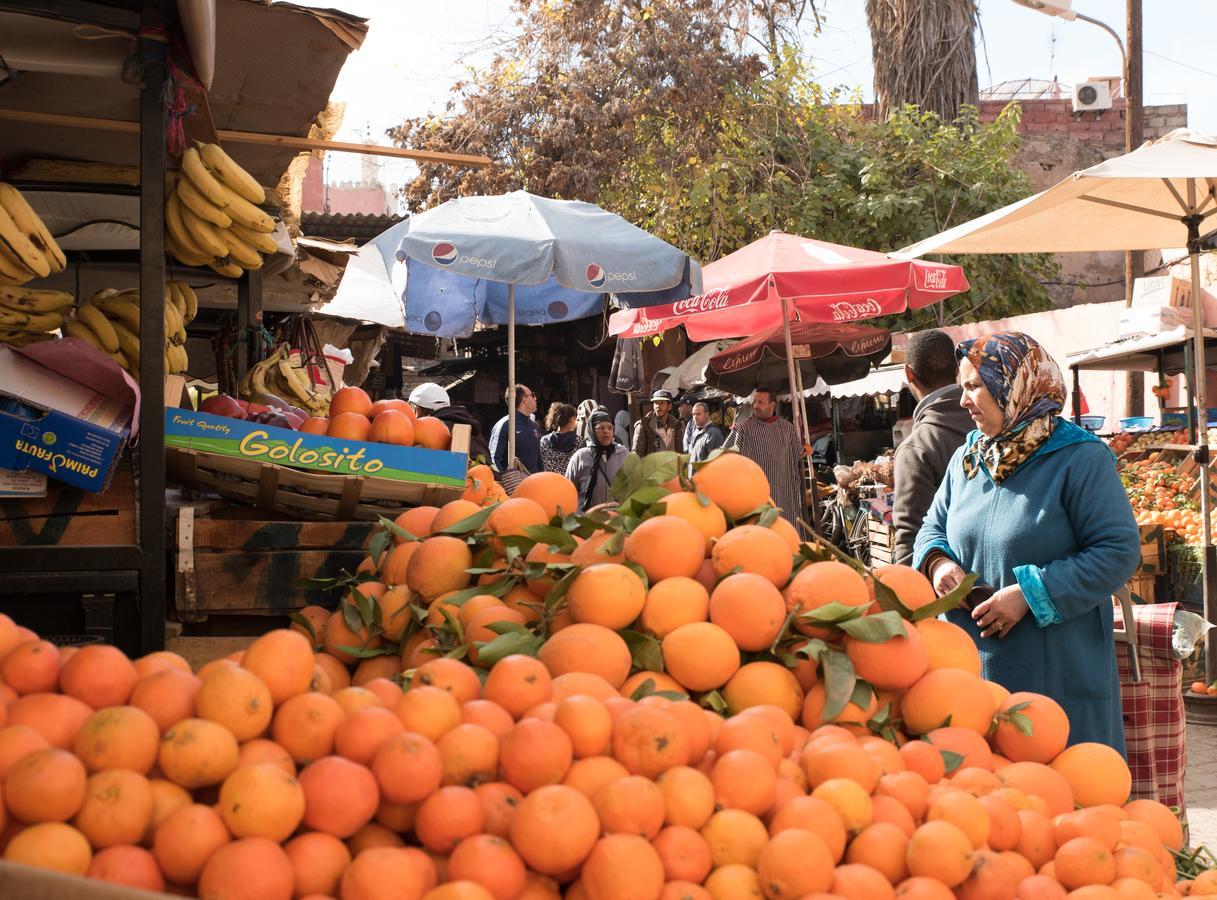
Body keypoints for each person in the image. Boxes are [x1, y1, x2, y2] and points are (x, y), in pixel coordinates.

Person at [913, 332, 1140, 752]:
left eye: (973, 387)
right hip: (973, 678)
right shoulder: (971, 456)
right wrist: (938, 563)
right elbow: (932, 527)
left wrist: (1031, 594)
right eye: (962, 388)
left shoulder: (1080, 459)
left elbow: (1118, 550)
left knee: (1065, 797)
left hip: (1056, 676)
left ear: (1015, 385)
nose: (964, 401)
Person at [891, 331, 975, 566]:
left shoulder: (917, 449)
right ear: (957, 369)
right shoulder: (992, 425)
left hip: (950, 590)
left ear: (909, 374)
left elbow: (911, 541)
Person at [722, 387, 806, 530]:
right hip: (755, 498)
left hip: (784, 495)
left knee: (786, 534)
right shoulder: (743, 428)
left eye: (760, 402)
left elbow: (799, 455)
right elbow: (725, 454)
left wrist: (806, 448)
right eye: (755, 401)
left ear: (772, 405)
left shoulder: (788, 428)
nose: (755, 406)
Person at [406, 382, 490, 464]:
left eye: (412, 409)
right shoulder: (469, 426)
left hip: (465, 475)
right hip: (488, 475)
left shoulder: (432, 430)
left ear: (417, 410)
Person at [566, 410, 629, 511]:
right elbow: (568, 491)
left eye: (610, 428)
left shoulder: (624, 455)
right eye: (601, 428)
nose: (606, 431)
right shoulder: (580, 457)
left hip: (617, 521)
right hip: (588, 521)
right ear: (592, 431)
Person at [489, 384, 542, 475]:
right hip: (512, 487)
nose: (535, 398)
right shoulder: (504, 425)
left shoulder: (534, 426)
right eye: (532, 395)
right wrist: (506, 482)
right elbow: (493, 460)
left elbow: (538, 460)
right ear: (524, 399)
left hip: (535, 485)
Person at [631, 389, 683, 457]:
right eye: (656, 403)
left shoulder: (676, 425)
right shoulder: (644, 425)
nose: (658, 406)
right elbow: (636, 453)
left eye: (661, 403)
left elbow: (680, 452)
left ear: (669, 406)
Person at [540, 402, 580, 474]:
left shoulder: (544, 441)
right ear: (572, 419)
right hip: (569, 484)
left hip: (549, 482)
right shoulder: (579, 442)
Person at [686, 401, 725, 473]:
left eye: (698, 414)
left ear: (706, 415)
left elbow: (717, 463)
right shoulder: (695, 431)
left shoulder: (714, 433)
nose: (695, 417)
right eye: (693, 414)